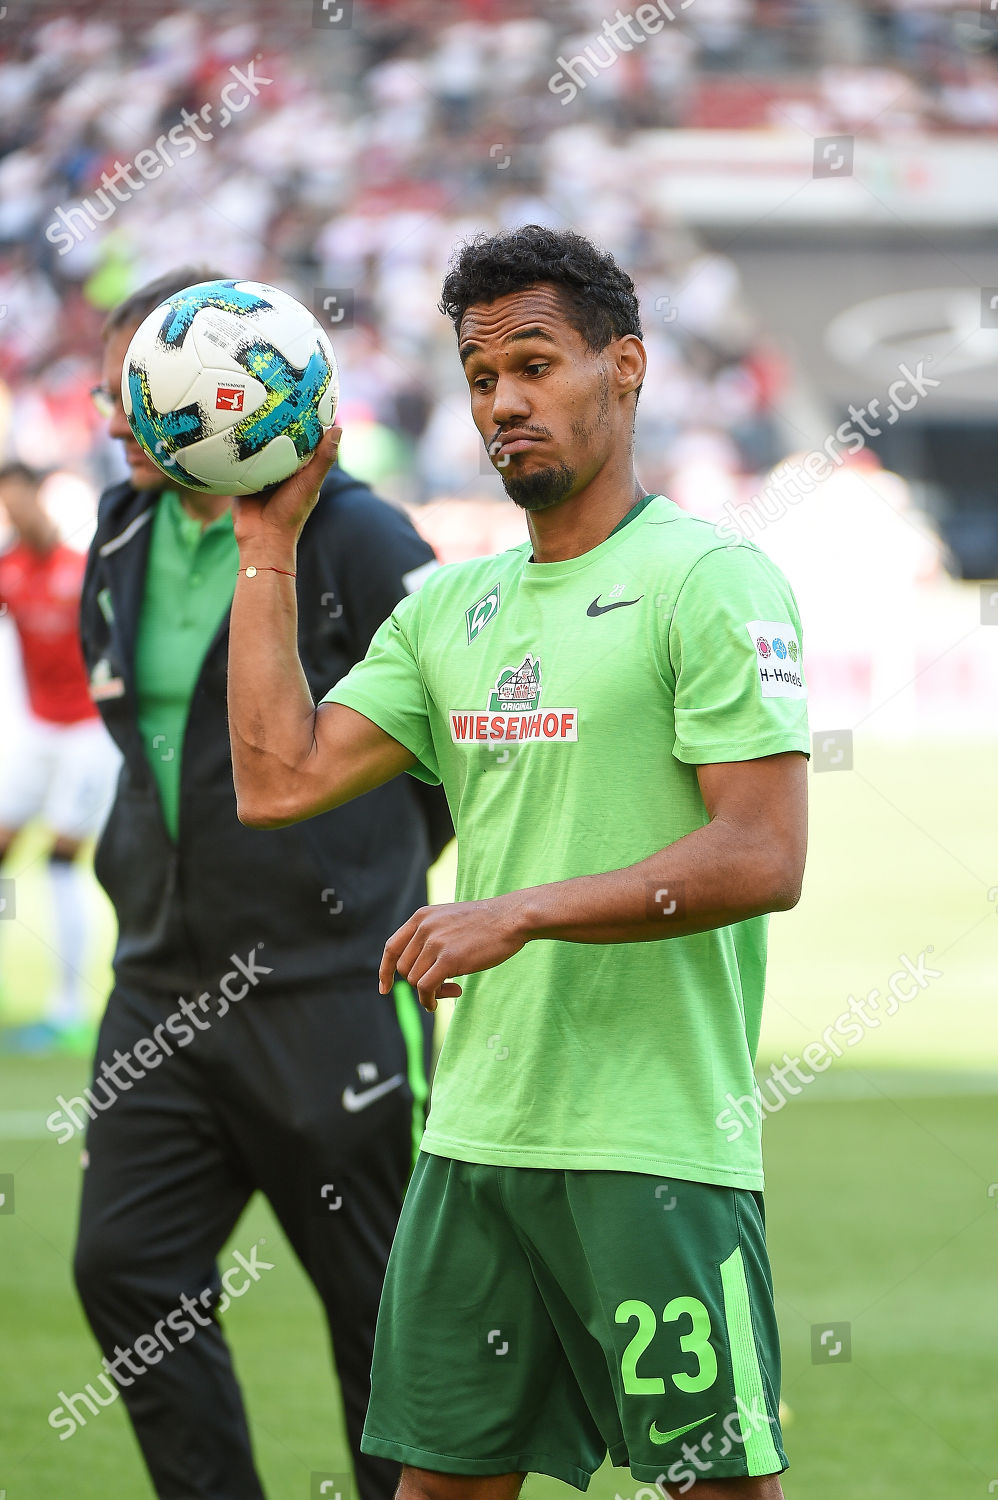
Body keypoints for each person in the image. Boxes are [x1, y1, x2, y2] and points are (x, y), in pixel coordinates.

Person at [227, 225, 810, 1500]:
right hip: (475, 1143)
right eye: (482, 378)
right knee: (434, 1490)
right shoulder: (448, 609)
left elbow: (761, 856)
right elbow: (276, 778)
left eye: (534, 365)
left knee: (717, 1489)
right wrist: (267, 545)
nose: (503, 404)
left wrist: (518, 915)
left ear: (626, 369)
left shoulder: (706, 581)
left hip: (653, 1149)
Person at [72, 268, 450, 1500]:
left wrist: (363, 881)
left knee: (379, 1313)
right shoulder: (120, 525)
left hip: (331, 987)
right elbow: (138, 735)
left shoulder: (360, 535)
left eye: (146, 397)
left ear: (222, 402)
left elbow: (454, 745)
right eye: (116, 396)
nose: (118, 419)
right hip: (159, 990)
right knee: (125, 1268)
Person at [0, 462, 119, 1051]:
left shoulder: (81, 571)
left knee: (61, 861)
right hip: (37, 731)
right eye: (8, 505)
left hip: (86, 733)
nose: (20, 514)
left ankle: (69, 1008)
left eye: (25, 501)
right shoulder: (9, 570)